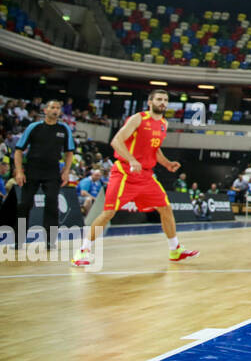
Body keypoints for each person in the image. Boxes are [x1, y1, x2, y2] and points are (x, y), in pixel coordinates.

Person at [72, 90, 196, 266]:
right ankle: (82, 251)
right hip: (125, 173)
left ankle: (175, 250)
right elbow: (116, 141)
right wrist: (131, 159)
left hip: (146, 175)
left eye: (166, 100)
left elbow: (154, 149)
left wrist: (167, 163)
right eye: (159, 99)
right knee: (108, 213)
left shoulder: (163, 124)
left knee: (166, 208)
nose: (162, 103)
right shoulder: (138, 118)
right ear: (150, 101)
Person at [0, 99, 75, 240]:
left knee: (52, 203)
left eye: (58, 108)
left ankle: (50, 240)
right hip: (32, 169)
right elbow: (18, 150)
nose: (56, 110)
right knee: (24, 204)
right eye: (53, 107)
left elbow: (69, 152)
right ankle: (18, 238)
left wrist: (66, 171)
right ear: (45, 110)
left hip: (52, 170)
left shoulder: (64, 129)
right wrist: (20, 171)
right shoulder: (33, 127)